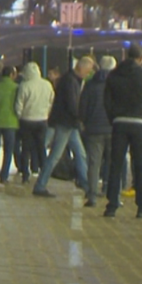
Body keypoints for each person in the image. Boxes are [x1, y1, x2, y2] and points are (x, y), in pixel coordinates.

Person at [103, 43, 142, 218]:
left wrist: (113, 118)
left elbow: (106, 100)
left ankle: (112, 205)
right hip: (140, 123)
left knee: (115, 164)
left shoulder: (113, 74)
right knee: (141, 165)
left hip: (119, 123)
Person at [32, 57, 95, 202]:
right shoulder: (71, 81)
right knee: (56, 156)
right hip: (65, 123)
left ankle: (87, 186)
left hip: (68, 124)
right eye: (88, 71)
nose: (88, 74)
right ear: (81, 68)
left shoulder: (69, 79)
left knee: (81, 154)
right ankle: (40, 185)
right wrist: (81, 118)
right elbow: (72, 105)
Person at [79, 56, 115, 203]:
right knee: (113, 163)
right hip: (113, 129)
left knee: (94, 163)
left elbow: (82, 108)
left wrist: (87, 123)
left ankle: (92, 195)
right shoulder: (117, 85)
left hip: (93, 130)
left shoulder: (90, 85)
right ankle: (112, 194)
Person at [14, 62, 54, 183]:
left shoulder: (24, 86)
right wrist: (46, 113)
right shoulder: (47, 84)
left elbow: (19, 104)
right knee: (41, 147)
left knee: (26, 148)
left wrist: (20, 115)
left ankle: (25, 174)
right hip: (42, 120)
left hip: (27, 121)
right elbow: (51, 100)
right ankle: (43, 174)